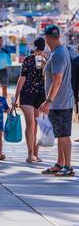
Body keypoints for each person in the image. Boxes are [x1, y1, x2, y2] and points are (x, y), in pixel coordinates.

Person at [40, 25, 75, 176]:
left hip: (61, 101)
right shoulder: (61, 51)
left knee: (64, 135)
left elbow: (57, 80)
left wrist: (48, 101)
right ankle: (60, 163)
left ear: (47, 38)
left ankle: (68, 166)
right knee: (60, 134)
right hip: (59, 101)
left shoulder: (59, 54)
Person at [14, 37, 46, 162]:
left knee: (36, 125)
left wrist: (45, 66)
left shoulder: (46, 60)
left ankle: (35, 154)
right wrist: (16, 97)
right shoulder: (28, 60)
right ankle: (30, 154)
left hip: (40, 95)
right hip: (27, 94)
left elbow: (48, 78)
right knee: (31, 123)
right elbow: (22, 78)